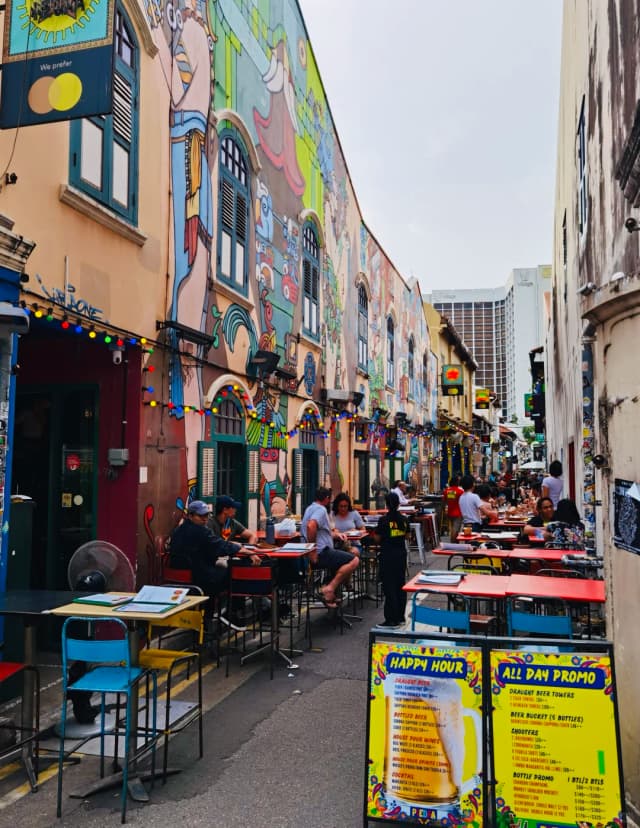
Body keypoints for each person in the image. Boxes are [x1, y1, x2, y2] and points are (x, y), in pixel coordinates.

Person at [168, 501, 261, 625]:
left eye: (206, 515)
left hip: (178, 576)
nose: (205, 519)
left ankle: (209, 618)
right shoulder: (201, 532)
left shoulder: (179, 530)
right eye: (201, 516)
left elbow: (215, 545)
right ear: (190, 516)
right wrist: (246, 551)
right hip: (199, 577)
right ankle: (230, 614)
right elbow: (221, 546)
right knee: (234, 575)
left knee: (218, 572)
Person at [301, 486, 359, 607]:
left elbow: (320, 531)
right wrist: (313, 550)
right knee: (354, 559)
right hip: (322, 552)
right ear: (327, 498)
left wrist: (337, 535)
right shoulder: (321, 510)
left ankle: (330, 598)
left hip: (314, 552)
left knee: (340, 562)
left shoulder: (309, 508)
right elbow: (311, 526)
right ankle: (330, 589)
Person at [373, 492, 409, 628]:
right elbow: (407, 536)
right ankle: (400, 616)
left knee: (389, 587)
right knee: (400, 585)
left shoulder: (384, 520)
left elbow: (377, 539)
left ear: (387, 504)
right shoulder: (404, 520)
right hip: (401, 555)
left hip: (387, 555)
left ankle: (390, 619)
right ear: (399, 503)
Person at [442, 475, 464, 540]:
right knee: (456, 529)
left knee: (452, 528)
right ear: (457, 482)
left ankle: (454, 542)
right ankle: (453, 542)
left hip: (450, 512)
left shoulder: (447, 491)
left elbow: (444, 501)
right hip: (458, 513)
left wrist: (444, 509)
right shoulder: (460, 491)